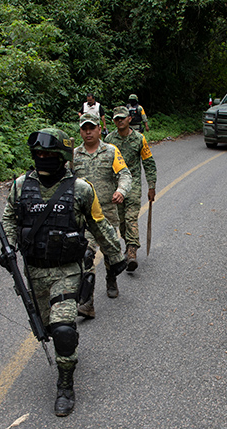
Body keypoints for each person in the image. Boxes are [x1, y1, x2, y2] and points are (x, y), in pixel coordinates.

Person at [1, 128, 127, 416]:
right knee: (46, 329)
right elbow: (10, 217)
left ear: (61, 156)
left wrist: (115, 256)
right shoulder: (21, 186)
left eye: (49, 154)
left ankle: (65, 384)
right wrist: (8, 246)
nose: (43, 159)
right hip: (34, 272)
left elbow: (99, 224)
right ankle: (64, 345)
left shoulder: (81, 189)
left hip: (67, 270)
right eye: (38, 155)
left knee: (63, 330)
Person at [73, 112, 132, 315]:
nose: (88, 132)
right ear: (80, 131)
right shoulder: (74, 156)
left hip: (106, 213)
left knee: (109, 253)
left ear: (99, 129)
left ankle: (111, 278)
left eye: (92, 128)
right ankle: (87, 302)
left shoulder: (110, 151)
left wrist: (121, 191)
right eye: (84, 129)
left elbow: (124, 174)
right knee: (86, 255)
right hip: (83, 216)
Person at [104, 106, 158, 272]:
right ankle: (128, 246)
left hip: (133, 185)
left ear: (129, 119)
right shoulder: (109, 140)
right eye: (116, 119)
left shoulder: (139, 139)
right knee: (121, 221)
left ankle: (132, 251)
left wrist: (151, 186)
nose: (119, 121)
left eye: (122, 118)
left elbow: (149, 163)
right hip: (116, 187)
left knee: (130, 218)